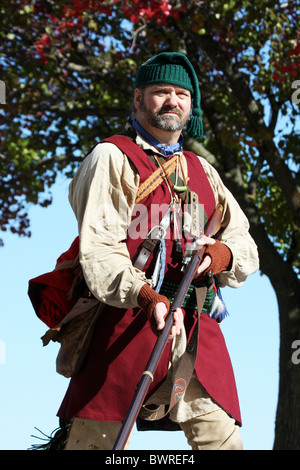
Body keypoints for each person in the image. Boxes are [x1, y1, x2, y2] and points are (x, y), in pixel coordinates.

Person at [57, 52, 259, 450]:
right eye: (160, 91)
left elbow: (244, 244)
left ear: (190, 105)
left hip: (195, 328)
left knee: (224, 443)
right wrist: (147, 296)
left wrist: (219, 255)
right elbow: (99, 251)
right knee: (94, 444)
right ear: (138, 99)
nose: (172, 101)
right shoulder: (111, 157)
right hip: (125, 321)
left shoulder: (204, 171)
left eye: (182, 93)